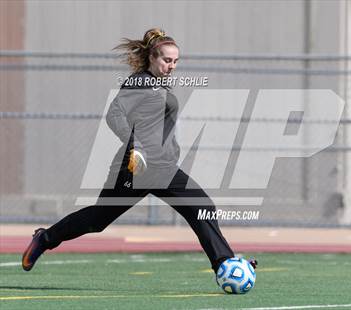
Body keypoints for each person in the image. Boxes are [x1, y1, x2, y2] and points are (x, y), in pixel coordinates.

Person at [22, 28, 256, 274]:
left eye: (176, 61)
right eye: (167, 60)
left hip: (162, 168)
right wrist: (136, 146)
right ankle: (44, 238)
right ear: (152, 58)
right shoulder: (140, 82)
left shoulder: (158, 84)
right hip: (135, 167)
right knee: (97, 220)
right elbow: (114, 114)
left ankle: (224, 264)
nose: (172, 65)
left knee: (201, 206)